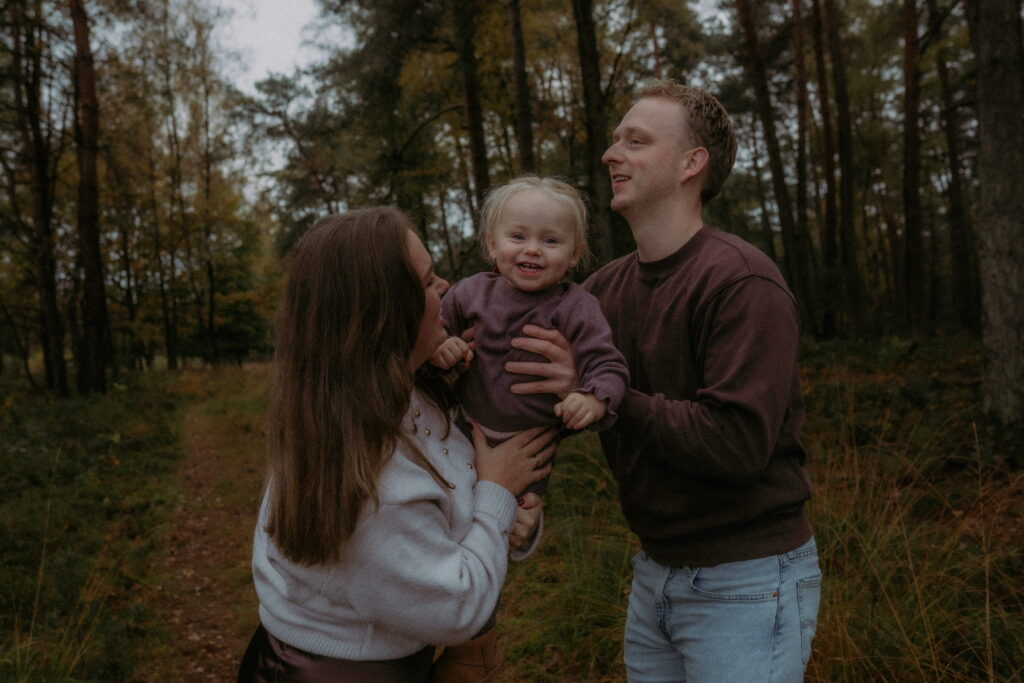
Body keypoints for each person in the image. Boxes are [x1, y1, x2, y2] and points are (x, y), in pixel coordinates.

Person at [510, 80, 822, 681]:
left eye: (635, 140)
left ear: (690, 164)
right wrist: (511, 497)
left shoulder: (741, 282)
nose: (610, 154)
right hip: (654, 573)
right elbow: (534, 394)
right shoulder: (599, 293)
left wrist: (604, 397)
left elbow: (736, 442)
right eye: (614, 140)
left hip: (749, 580)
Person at [237, 207, 555, 683]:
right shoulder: (370, 480)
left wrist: (509, 515)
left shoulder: (404, 394)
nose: (445, 285)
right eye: (428, 282)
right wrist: (496, 497)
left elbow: (449, 515)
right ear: (385, 313)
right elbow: (459, 606)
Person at [429, 174, 629, 498]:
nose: (533, 249)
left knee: (517, 517)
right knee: (453, 505)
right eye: (518, 236)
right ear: (493, 244)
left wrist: (592, 397)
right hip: (465, 428)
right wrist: (443, 349)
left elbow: (608, 364)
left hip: (534, 445)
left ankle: (524, 524)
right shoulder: (469, 294)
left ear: (574, 253)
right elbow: (432, 337)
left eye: (551, 241)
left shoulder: (577, 307)